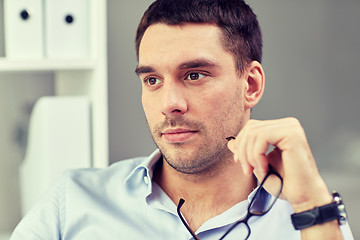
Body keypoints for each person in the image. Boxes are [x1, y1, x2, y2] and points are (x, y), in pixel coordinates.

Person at [11, 0, 353, 239]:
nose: (169, 104)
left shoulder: (310, 219)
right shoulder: (71, 202)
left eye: (194, 75)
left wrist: (311, 207)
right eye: (152, 80)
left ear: (250, 85)